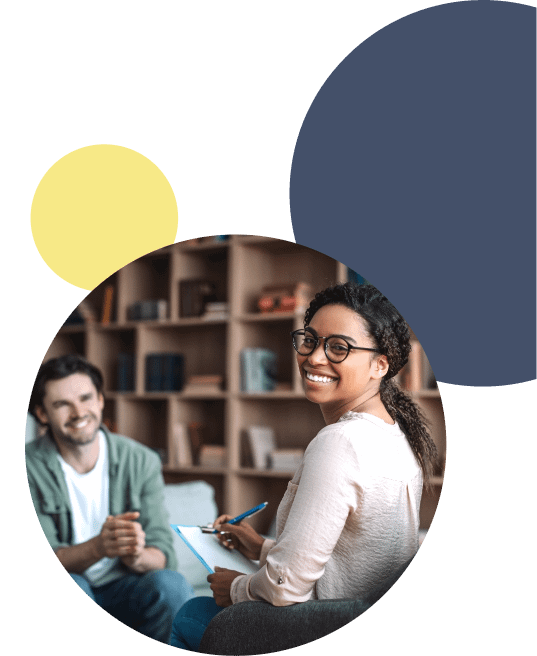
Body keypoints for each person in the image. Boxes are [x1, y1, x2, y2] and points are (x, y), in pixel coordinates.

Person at [170, 281, 439, 650]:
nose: (314, 357)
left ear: (380, 364)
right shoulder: (397, 434)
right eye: (310, 340)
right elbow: (350, 559)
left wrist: (234, 587)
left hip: (317, 626)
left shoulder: (340, 443)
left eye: (339, 347)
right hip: (346, 610)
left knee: (190, 612)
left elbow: (284, 589)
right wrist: (261, 547)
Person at [26, 354, 196, 644]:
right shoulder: (30, 466)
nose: (79, 412)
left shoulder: (141, 460)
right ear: (42, 414)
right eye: (62, 404)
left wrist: (136, 556)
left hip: (126, 584)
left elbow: (163, 553)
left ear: (101, 400)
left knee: (171, 584)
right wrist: (100, 547)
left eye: (86, 398)